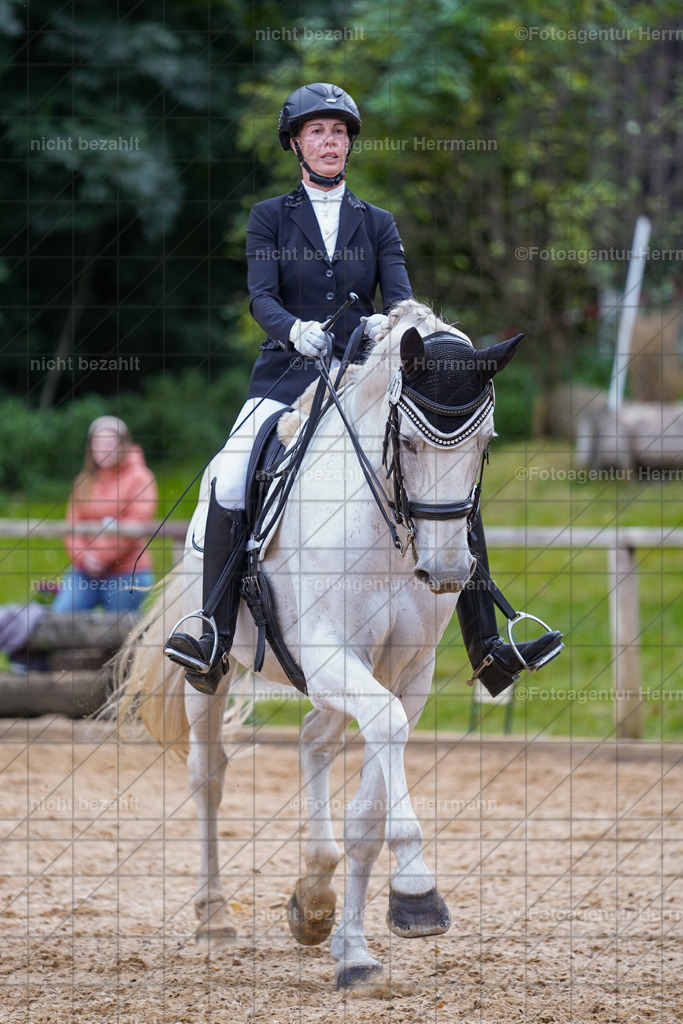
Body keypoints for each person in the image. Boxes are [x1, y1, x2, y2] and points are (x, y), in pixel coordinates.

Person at [164, 82, 563, 696]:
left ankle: (488, 647)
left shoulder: (376, 222)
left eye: (340, 132)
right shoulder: (270, 215)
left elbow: (400, 295)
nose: (331, 141)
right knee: (230, 474)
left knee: (444, 473)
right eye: (318, 132)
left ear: (349, 144)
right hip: (285, 375)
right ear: (297, 143)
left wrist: (391, 321)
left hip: (360, 382)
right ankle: (211, 634)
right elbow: (261, 297)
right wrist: (293, 331)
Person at [51, 416, 157, 615]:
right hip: (85, 571)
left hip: (128, 571)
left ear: (123, 444)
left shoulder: (141, 478)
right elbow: (71, 527)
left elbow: (136, 525)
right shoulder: (83, 481)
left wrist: (100, 557)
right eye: (98, 443)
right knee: (61, 619)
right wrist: (84, 558)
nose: (104, 449)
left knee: (119, 637)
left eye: (110, 443)